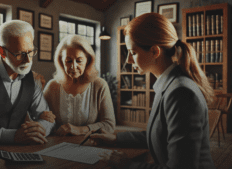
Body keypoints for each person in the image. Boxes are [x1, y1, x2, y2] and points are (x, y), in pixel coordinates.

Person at [87, 13, 216, 169]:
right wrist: (115, 138)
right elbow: (159, 135)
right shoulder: (169, 84)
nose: (128, 60)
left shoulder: (180, 93)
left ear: (155, 51)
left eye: (133, 53)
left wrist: (126, 164)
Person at [42, 35, 116, 136]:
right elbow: (42, 119)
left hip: (91, 145)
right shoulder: (52, 86)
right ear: (61, 61)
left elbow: (109, 125)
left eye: (79, 61)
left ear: (88, 60)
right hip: (58, 145)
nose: (73, 66)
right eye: (68, 61)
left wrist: (80, 130)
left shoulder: (100, 85)